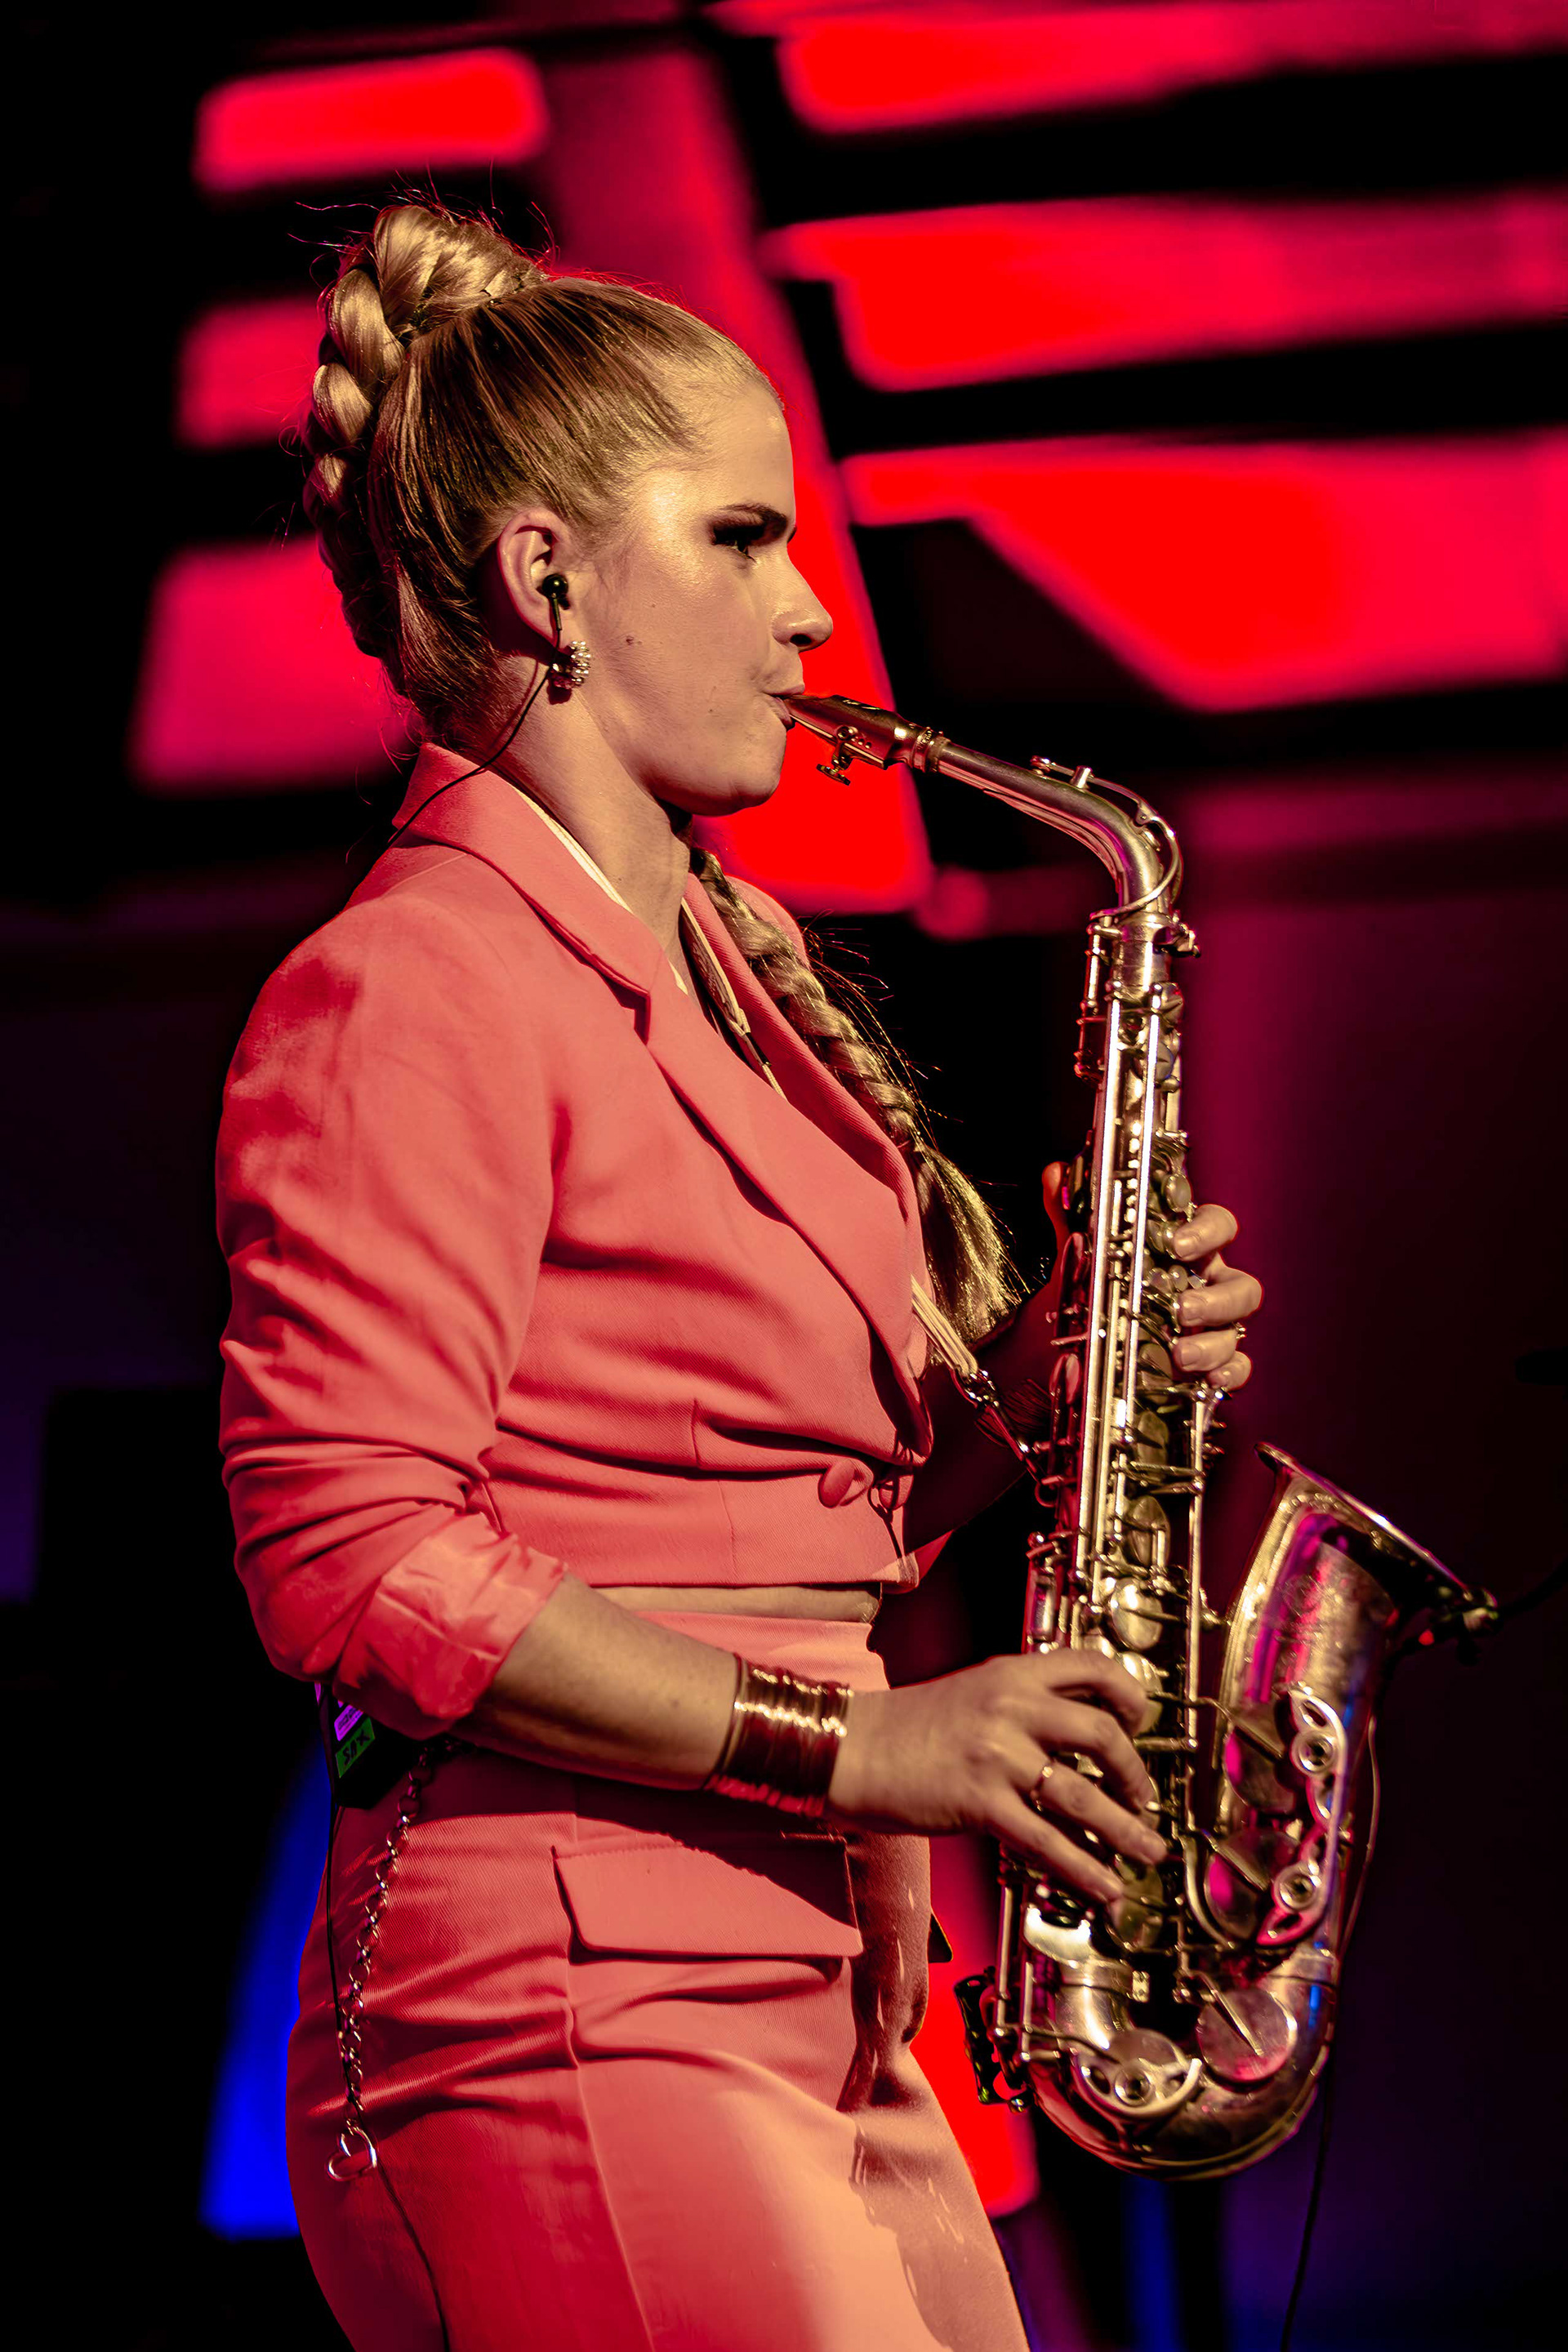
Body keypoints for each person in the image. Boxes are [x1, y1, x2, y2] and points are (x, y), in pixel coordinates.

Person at [216, 198, 1262, 2352]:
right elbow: (354, 1562)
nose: (809, 608)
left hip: (821, 1974)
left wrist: (1043, 1400)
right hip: (564, 2002)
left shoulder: (730, 970)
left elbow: (770, 1516)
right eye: (742, 538)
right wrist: (861, 1746)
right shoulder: (411, 981)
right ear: (548, 583)